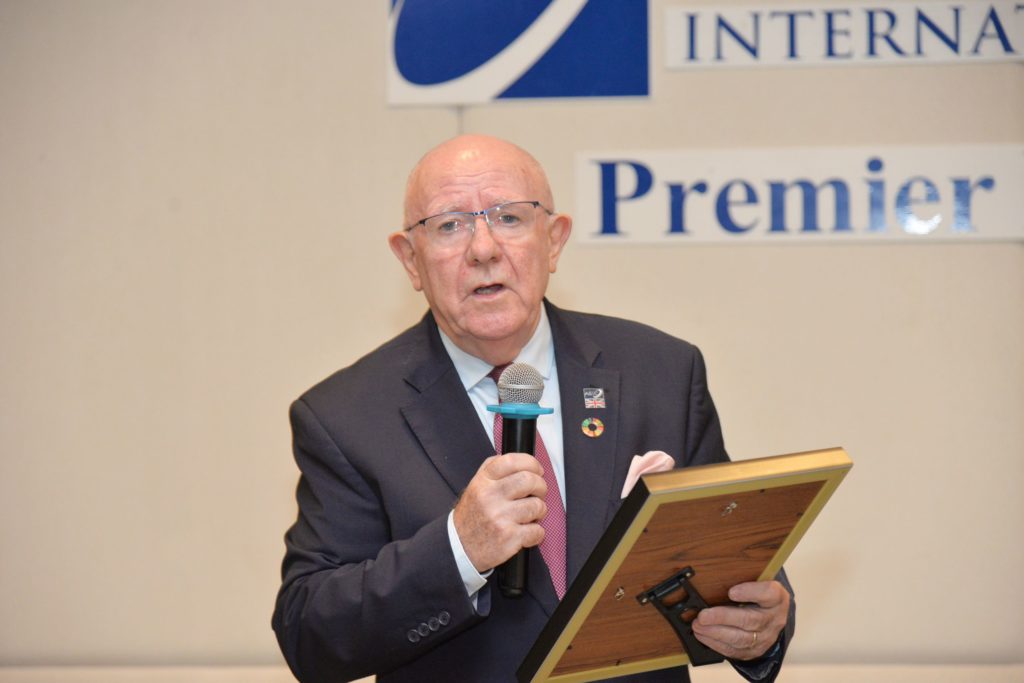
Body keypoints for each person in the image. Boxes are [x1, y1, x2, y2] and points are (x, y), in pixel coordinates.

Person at [272, 135, 794, 682]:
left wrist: (761, 624)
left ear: (554, 241)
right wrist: (458, 550)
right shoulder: (345, 416)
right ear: (411, 260)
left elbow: (731, 546)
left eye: (509, 218)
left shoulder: (661, 371)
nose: (483, 249)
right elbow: (310, 635)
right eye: (449, 225)